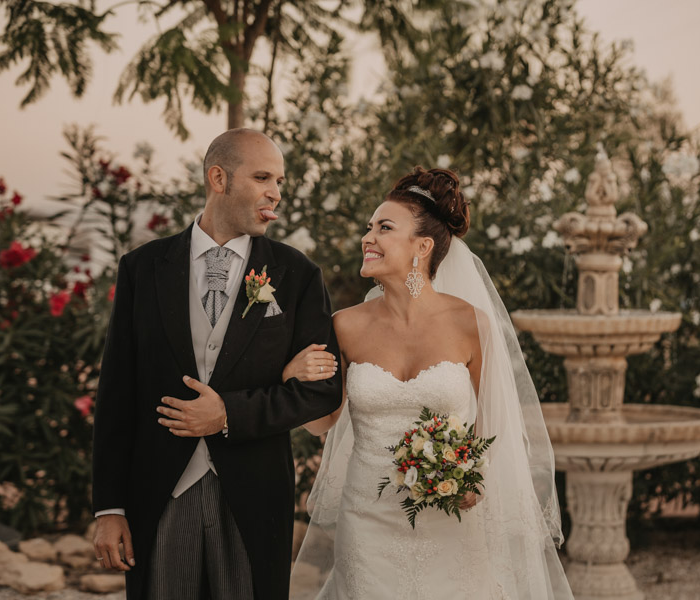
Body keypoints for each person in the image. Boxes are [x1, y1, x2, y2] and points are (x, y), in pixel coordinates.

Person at [291, 167, 574, 599]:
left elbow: (494, 424)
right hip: (367, 518)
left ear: (422, 246)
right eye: (369, 228)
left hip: (451, 519)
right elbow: (321, 422)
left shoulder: (470, 324)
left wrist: (473, 479)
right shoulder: (344, 326)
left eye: (384, 227)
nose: (368, 238)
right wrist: (293, 374)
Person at [91, 128, 342, 600]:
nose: (277, 193)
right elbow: (116, 394)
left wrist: (230, 413)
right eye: (263, 177)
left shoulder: (297, 275)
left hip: (254, 494)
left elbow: (321, 392)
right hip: (160, 491)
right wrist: (109, 507)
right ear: (218, 178)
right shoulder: (142, 269)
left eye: (281, 182)